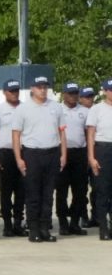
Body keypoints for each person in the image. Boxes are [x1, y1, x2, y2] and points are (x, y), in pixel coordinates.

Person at [12, 75, 66, 242]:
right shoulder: (23, 109)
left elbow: (62, 132)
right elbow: (15, 135)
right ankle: (33, 229)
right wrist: (18, 158)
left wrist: (63, 154)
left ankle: (45, 228)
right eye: (39, 87)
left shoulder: (56, 107)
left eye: (45, 86)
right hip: (32, 153)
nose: (43, 90)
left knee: (48, 194)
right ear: (32, 89)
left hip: (52, 153)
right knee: (33, 193)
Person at [57, 82, 90, 235]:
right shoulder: (57, 110)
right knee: (62, 191)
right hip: (62, 153)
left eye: (76, 93)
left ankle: (75, 223)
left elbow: (88, 133)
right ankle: (63, 223)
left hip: (80, 153)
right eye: (70, 93)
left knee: (80, 191)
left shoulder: (85, 111)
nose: (73, 96)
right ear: (64, 94)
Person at [0, 81, 25, 236]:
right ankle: (7, 224)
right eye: (11, 91)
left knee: (22, 190)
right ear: (4, 92)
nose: (14, 93)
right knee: (6, 191)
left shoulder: (26, 108)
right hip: (6, 153)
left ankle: (18, 222)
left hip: (25, 152)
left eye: (16, 90)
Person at [87, 79, 112, 240]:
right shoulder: (97, 109)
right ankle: (103, 227)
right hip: (103, 149)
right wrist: (91, 157)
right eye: (110, 90)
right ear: (104, 91)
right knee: (103, 191)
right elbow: (90, 134)